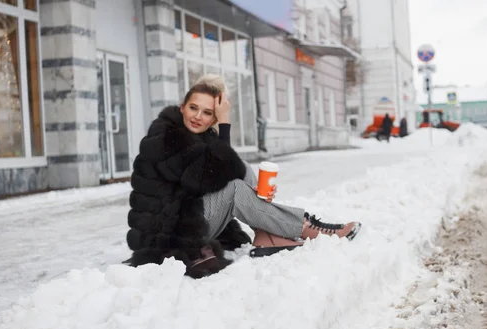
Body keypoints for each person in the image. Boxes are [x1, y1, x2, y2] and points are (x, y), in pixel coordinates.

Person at [125, 74, 361, 279]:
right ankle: (305, 228)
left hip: (185, 222)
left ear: (212, 119)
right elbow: (214, 175)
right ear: (182, 108)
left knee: (244, 170)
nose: (198, 116)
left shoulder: (196, 138)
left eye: (208, 113)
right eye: (193, 108)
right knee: (236, 189)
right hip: (166, 239)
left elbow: (229, 168)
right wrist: (224, 123)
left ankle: (267, 230)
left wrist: (257, 198)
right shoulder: (167, 138)